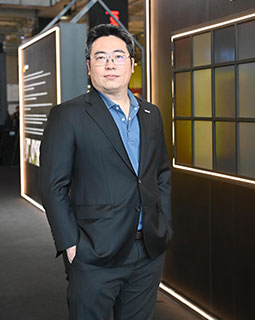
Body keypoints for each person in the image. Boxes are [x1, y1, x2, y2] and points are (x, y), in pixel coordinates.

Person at [39, 24, 172, 320]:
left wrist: (164, 223)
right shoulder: (68, 115)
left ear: (132, 64)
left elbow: (161, 174)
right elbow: (52, 185)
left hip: (149, 249)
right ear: (89, 67)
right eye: (101, 57)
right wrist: (70, 245)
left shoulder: (151, 114)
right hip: (94, 252)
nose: (110, 64)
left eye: (118, 56)